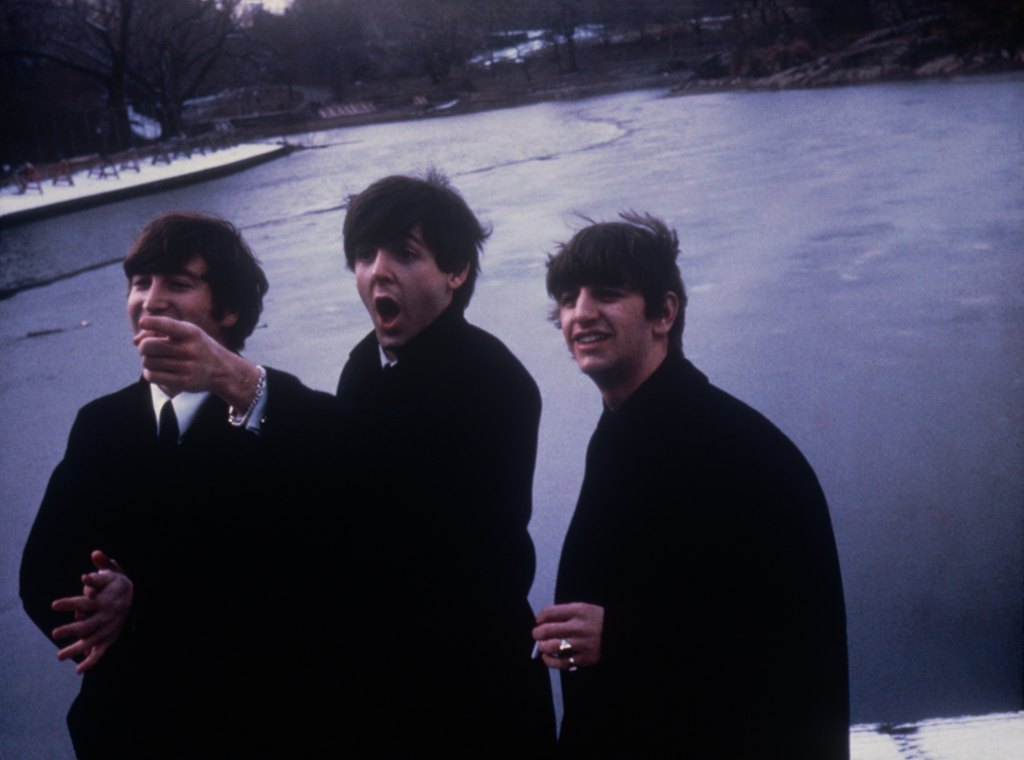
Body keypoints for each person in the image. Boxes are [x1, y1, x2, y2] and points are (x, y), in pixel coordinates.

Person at [20, 211, 338, 758]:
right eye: (141, 283)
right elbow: (41, 576)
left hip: (260, 727)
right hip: (127, 730)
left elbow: (297, 585)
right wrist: (97, 598)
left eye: (179, 284)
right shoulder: (99, 424)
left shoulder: (283, 420)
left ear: (230, 309)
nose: (152, 300)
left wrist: (141, 599)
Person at [532, 213, 849, 758]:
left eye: (608, 294)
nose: (581, 313)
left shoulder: (733, 449)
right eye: (567, 298)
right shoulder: (629, 426)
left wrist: (619, 636)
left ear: (664, 314)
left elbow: (785, 637)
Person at [335, 172, 555, 751]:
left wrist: (250, 390)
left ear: (455, 272)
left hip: (475, 700)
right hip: (388, 692)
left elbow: (385, 457)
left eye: (405, 254)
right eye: (364, 254)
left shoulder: (493, 381)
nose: (377, 270)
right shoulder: (363, 365)